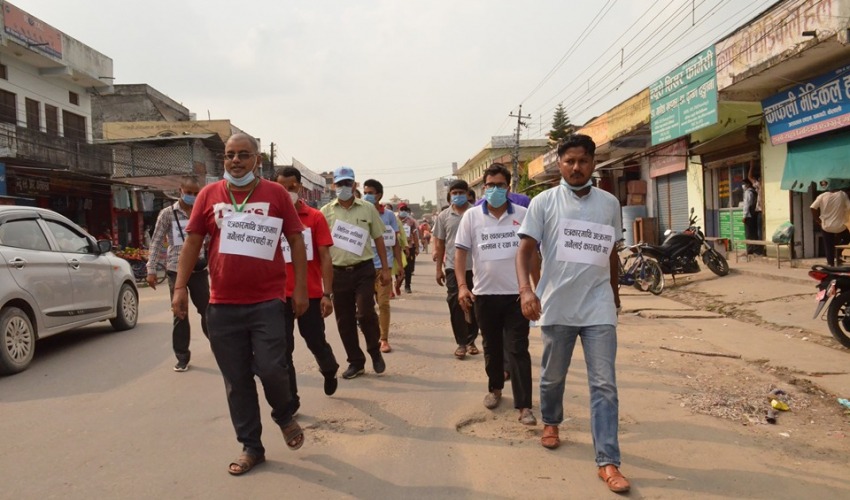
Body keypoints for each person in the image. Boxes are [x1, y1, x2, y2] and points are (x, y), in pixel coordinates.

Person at [172, 133, 308, 476]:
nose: (235, 161)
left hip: (268, 301)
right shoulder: (208, 195)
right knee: (237, 380)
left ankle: (282, 413)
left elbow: (295, 239)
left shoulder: (276, 194)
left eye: (243, 155)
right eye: (230, 155)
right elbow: (192, 243)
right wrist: (179, 288)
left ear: (256, 160)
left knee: (272, 368)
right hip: (222, 305)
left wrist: (302, 288)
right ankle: (251, 446)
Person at [516, 134, 629, 493]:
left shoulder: (610, 203)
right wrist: (526, 290)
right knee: (552, 376)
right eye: (569, 161)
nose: (576, 168)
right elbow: (525, 251)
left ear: (593, 163)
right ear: (559, 165)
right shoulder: (543, 202)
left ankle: (608, 461)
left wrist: (613, 293)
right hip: (557, 304)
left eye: (582, 161)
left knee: (604, 384)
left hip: (597, 305)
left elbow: (611, 252)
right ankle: (551, 420)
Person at [455, 163, 535, 426]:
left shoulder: (524, 215)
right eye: (490, 186)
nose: (495, 190)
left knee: (518, 348)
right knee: (491, 346)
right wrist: (462, 286)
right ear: (483, 188)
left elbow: (533, 254)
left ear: (508, 188)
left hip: (517, 295)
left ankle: (524, 405)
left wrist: (537, 288)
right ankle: (495, 389)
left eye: (501, 185)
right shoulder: (471, 217)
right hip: (484, 295)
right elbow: (461, 253)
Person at [275, 167, 340, 414]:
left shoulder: (314, 217)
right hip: (277, 295)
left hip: (310, 293)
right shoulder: (270, 219)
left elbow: (325, 257)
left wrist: (327, 294)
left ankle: (329, 367)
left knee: (314, 340)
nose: (287, 192)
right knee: (283, 350)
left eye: (291, 187)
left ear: (299, 187)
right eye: (281, 188)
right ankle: (291, 401)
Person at [320, 166, 390, 379]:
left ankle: (374, 351)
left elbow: (378, 237)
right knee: (345, 320)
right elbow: (321, 247)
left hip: (364, 270)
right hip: (338, 272)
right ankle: (355, 361)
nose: (344, 187)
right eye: (340, 184)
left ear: (354, 185)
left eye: (348, 183)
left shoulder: (367, 208)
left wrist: (386, 269)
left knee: (365, 312)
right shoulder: (325, 212)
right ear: (334, 186)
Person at [147, 175, 210, 372]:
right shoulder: (167, 214)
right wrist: (151, 269)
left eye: (195, 193)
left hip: (199, 269)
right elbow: (156, 240)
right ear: (180, 190)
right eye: (188, 192)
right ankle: (182, 357)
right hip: (175, 269)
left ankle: (219, 344)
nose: (192, 196)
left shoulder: (202, 212)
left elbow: (211, 237)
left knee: (208, 311)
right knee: (180, 313)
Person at [433, 179, 479, 360]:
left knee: (475, 304)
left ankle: (471, 339)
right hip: (452, 267)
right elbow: (440, 244)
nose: (458, 196)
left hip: (476, 267)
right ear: (450, 195)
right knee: (455, 304)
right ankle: (461, 342)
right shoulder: (443, 217)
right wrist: (439, 269)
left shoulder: (476, 213)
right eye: (455, 193)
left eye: (461, 192)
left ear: (468, 194)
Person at [362, 179, 404, 353]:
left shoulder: (388, 216)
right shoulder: (360, 212)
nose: (367, 195)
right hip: (363, 267)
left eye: (370, 192)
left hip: (382, 267)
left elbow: (395, 242)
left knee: (383, 303)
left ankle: (384, 339)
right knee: (365, 307)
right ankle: (372, 334)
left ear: (379, 195)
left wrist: (399, 265)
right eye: (365, 192)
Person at [811, 180, 850, 266]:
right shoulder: (842, 194)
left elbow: (813, 207)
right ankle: (838, 253)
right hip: (840, 227)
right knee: (847, 238)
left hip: (826, 226)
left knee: (828, 245)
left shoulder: (821, 196)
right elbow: (849, 207)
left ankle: (830, 263)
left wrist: (817, 220)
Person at [395, 203, 419, 294]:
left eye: (405, 209)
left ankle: (407, 286)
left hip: (410, 247)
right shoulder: (394, 220)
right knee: (398, 267)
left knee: (408, 268)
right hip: (397, 248)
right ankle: (397, 283)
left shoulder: (411, 222)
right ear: (398, 210)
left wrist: (417, 247)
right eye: (402, 209)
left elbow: (415, 235)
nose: (403, 211)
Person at [747, 164, 766, 252]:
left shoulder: (760, 186)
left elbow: (750, 177)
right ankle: (761, 249)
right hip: (762, 212)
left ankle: (760, 249)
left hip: (760, 212)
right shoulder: (761, 186)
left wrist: (751, 165)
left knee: (759, 232)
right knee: (760, 231)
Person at [742, 179, 760, 256]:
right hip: (754, 215)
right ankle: (755, 249)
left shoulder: (748, 192)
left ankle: (749, 251)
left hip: (749, 216)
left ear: (747, 184)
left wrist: (744, 216)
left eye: (744, 184)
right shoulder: (754, 192)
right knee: (754, 233)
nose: (743, 186)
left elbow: (746, 205)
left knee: (749, 234)